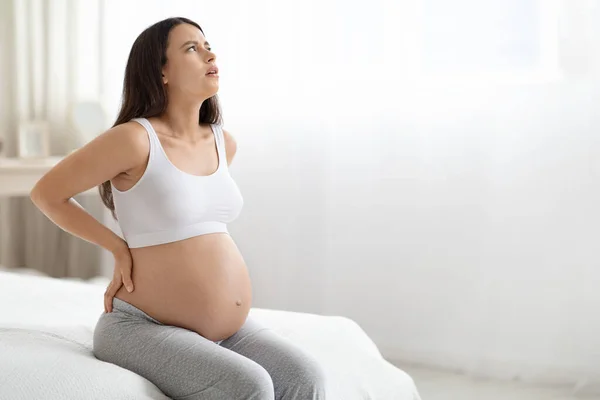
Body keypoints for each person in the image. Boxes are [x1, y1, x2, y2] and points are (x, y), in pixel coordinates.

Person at [30, 16, 326, 400]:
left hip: (228, 330)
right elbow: (46, 193)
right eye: (192, 48)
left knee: (306, 377)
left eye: (207, 45)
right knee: (249, 386)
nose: (209, 54)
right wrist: (118, 247)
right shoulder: (134, 139)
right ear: (162, 72)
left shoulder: (223, 142)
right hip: (141, 327)